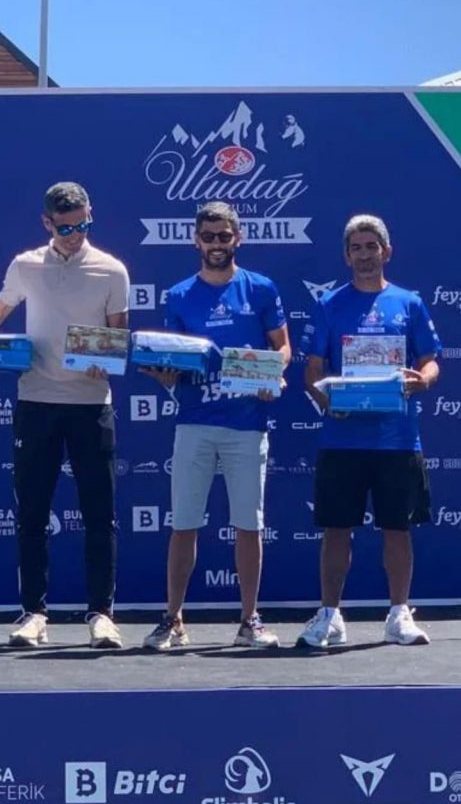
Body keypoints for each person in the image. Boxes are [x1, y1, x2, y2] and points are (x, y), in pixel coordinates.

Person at [142, 201, 291, 651]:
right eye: (208, 237)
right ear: (196, 241)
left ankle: (249, 621)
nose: (216, 244)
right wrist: (163, 372)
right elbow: (173, 363)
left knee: (248, 524)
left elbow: (283, 348)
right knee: (184, 523)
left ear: (237, 238)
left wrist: (272, 374)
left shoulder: (260, 288)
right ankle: (173, 618)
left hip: (247, 423)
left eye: (224, 236)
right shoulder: (178, 295)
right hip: (195, 422)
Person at [296, 214, 441, 649]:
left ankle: (399, 614)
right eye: (356, 248)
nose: (364, 255)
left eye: (371, 247)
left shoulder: (408, 303)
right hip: (343, 440)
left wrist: (424, 380)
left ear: (386, 252)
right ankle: (330, 615)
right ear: (346, 256)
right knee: (336, 529)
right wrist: (329, 403)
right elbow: (313, 371)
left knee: (398, 528)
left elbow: (430, 360)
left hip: (397, 439)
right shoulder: (329, 305)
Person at [0, 182, 129, 649]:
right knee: (33, 513)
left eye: (83, 225)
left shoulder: (112, 269)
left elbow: (119, 340)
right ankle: (33, 614)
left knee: (100, 514)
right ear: (47, 223)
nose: (76, 235)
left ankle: (102, 615)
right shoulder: (25, 265)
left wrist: (106, 359)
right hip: (37, 402)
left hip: (91, 406)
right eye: (67, 228)